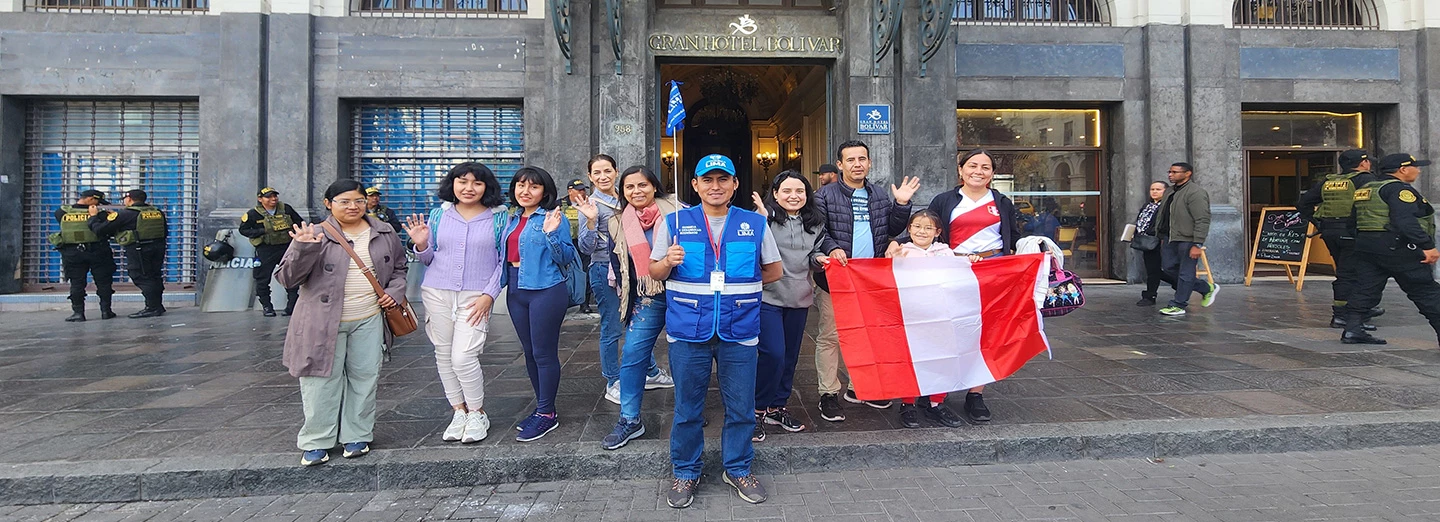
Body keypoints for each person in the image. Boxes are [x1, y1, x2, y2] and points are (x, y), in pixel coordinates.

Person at [650, 154, 782, 508]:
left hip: (739, 330)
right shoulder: (675, 222)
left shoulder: (754, 224)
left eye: (723, 179)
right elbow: (655, 271)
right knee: (687, 409)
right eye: (707, 180)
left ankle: (737, 468)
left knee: (741, 408)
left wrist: (741, 291)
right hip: (688, 330)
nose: (715, 186)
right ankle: (685, 471)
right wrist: (667, 262)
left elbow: (773, 271)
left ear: (735, 185)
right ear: (695, 185)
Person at [275, 179, 408, 467]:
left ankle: (357, 434)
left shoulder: (383, 231)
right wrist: (302, 248)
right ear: (328, 204)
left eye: (358, 201)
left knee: (365, 377)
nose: (353, 207)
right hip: (322, 322)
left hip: (369, 317)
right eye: (344, 201)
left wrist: (393, 293)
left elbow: (399, 268)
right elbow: (287, 279)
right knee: (320, 381)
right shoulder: (315, 234)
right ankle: (317, 440)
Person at [885, 149, 1023, 424]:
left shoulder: (1002, 202)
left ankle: (975, 393)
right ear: (960, 170)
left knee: (983, 332)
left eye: (986, 167)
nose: (978, 171)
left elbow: (1015, 238)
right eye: (972, 165)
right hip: (949, 271)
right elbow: (924, 228)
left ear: (992, 173)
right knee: (945, 331)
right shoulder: (946, 200)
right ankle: (932, 392)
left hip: (990, 271)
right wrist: (895, 243)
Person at [812, 140, 919, 422]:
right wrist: (832, 247)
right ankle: (829, 394)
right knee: (831, 336)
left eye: (862, 159)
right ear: (840, 164)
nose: (857, 164)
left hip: (870, 279)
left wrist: (902, 204)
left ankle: (859, 388)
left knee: (866, 334)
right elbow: (818, 231)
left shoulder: (880, 195)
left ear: (869, 163)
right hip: (835, 278)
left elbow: (892, 229)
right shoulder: (824, 195)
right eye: (850, 160)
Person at [405, 162, 507, 444]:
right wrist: (422, 245)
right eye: (462, 181)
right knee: (443, 353)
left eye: (476, 183)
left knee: (463, 356)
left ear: (487, 187)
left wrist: (489, 295)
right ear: (452, 184)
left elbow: (503, 262)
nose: (469, 188)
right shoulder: (439, 215)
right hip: (437, 292)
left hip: (476, 296)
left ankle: (477, 412)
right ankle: (458, 411)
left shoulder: (499, 218)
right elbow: (428, 259)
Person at [576, 154, 673, 404]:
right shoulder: (591, 204)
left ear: (615, 172)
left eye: (607, 171)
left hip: (638, 273)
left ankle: (650, 372)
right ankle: (612, 380)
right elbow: (586, 248)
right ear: (590, 177)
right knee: (613, 327)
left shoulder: (627, 201)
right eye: (596, 173)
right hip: (606, 270)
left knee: (634, 327)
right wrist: (589, 220)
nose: (602, 176)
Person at [600, 165, 682, 451]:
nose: (637, 192)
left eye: (643, 185)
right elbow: (617, 261)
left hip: (683, 292)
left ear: (654, 186)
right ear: (622, 192)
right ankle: (630, 419)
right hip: (648, 295)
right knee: (633, 354)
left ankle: (688, 412)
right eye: (630, 187)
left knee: (684, 354)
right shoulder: (618, 221)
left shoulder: (677, 210)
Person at [749, 170, 825, 443]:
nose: (794, 196)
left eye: (800, 192)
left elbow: (813, 253)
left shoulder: (815, 223)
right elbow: (751, 250)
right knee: (773, 353)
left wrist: (821, 259)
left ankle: (776, 407)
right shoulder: (764, 219)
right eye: (787, 191)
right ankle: (756, 409)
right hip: (768, 296)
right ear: (776, 194)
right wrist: (759, 221)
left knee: (791, 356)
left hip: (800, 297)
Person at [504, 166, 578, 442]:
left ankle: (546, 414)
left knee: (544, 352)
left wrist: (550, 234)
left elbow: (567, 256)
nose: (525, 191)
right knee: (529, 351)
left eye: (533, 187)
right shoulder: (510, 218)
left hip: (546, 288)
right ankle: (542, 408)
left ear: (544, 192)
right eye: (521, 185)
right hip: (516, 288)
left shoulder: (552, 218)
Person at [891, 209, 982, 428]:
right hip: (912, 316)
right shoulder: (902, 251)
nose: (922, 231)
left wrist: (970, 260)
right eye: (917, 226)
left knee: (943, 358)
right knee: (912, 359)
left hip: (942, 316)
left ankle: (936, 403)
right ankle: (908, 404)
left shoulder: (945, 252)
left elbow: (959, 273)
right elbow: (888, 271)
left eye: (928, 227)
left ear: (938, 232)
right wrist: (892, 256)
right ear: (909, 229)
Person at [1340, 153, 1440, 345]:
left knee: (1365, 288)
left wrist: (1368, 241)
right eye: (1415, 167)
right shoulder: (1399, 190)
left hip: (1367, 247)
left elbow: (1352, 222)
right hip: (1396, 247)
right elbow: (1405, 221)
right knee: (1425, 290)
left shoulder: (1367, 188)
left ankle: (1353, 329)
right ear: (1402, 170)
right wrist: (1427, 246)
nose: (1418, 171)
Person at [1297, 149, 1382, 330]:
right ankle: (1344, 315)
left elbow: (1303, 204)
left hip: (1331, 232)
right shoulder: (1365, 180)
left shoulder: (1329, 182)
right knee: (1352, 273)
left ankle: (1358, 309)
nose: (1369, 165)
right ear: (1363, 163)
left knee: (1347, 270)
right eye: (1368, 162)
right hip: (1353, 232)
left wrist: (1319, 223)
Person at [88, 189, 168, 318]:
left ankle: (152, 308)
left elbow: (100, 230)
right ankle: (157, 305)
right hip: (157, 247)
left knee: (140, 276)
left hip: (139, 249)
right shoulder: (156, 212)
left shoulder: (126, 213)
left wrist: (93, 217)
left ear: (129, 198)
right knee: (154, 275)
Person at [1156, 162, 1219, 316]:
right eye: (1169, 172)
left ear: (1187, 173)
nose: (1170, 175)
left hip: (1187, 239)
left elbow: (1202, 219)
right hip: (1170, 237)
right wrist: (1162, 235)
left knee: (1186, 272)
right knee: (1168, 268)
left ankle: (1178, 304)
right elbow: (1164, 216)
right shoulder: (1170, 191)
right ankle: (1206, 288)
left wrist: (1198, 243)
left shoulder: (1195, 192)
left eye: (1175, 172)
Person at [239, 187, 306, 317]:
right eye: (268, 197)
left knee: (291, 276)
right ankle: (267, 306)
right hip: (266, 248)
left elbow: (299, 222)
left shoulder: (286, 209)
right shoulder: (253, 214)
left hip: (286, 247)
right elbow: (244, 230)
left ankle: (291, 305)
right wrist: (261, 232)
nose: (273, 199)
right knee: (262, 279)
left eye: (275, 196)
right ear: (260, 199)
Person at [52, 189, 116, 322]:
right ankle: (106, 311)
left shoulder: (62, 212)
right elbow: (107, 228)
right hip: (98, 251)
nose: (98, 205)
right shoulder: (101, 215)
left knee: (76, 283)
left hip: (73, 252)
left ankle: (78, 313)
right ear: (91, 199)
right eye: (97, 201)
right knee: (104, 282)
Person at [564, 179, 595, 314]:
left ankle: (585, 303)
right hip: (566, 243)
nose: (582, 192)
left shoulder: (589, 204)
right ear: (570, 191)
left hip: (582, 243)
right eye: (579, 189)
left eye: (584, 189)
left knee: (585, 272)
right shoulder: (559, 204)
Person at [1135, 181, 1168, 306]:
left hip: (1159, 241)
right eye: (1152, 189)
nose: (1154, 192)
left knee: (1155, 270)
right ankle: (1187, 285)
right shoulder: (1147, 205)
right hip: (1146, 241)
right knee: (1153, 270)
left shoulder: (1166, 207)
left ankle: (1150, 295)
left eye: (1158, 189)